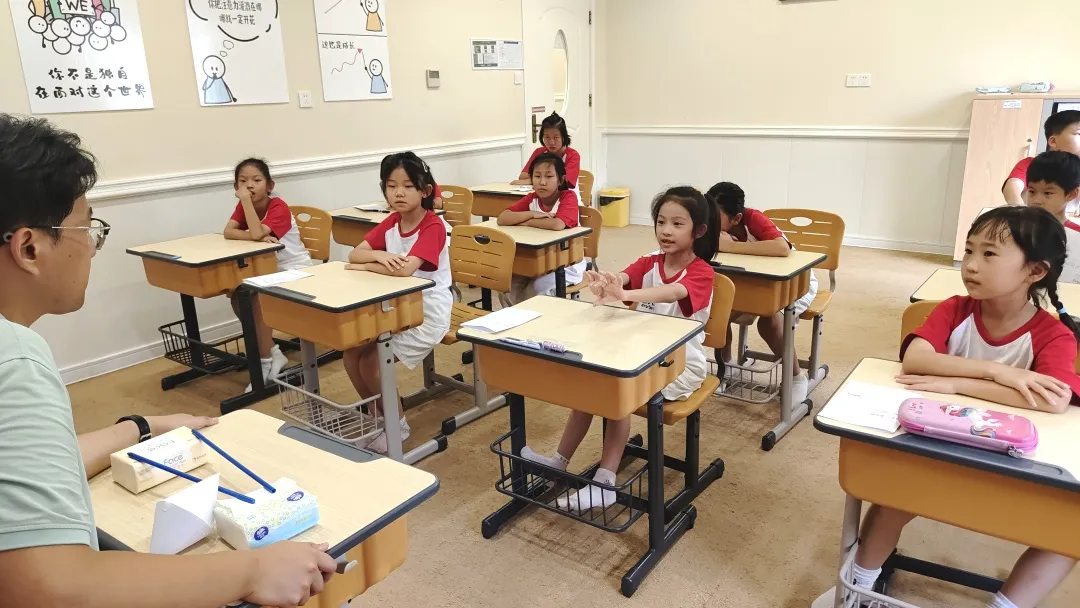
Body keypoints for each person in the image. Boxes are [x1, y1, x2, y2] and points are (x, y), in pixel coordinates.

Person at [0, 114, 337, 607]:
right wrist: (252, 570)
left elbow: (30, 467)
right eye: (86, 228)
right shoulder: (16, 359)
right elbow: (52, 587)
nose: (92, 246)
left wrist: (140, 426)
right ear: (29, 247)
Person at [844, 206, 1080, 608]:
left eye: (989, 254)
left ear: (1035, 271)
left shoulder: (1052, 334)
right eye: (969, 250)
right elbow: (916, 360)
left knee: (1068, 533)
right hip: (937, 450)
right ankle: (859, 590)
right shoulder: (954, 308)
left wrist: (956, 384)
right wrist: (998, 373)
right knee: (889, 497)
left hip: (1014, 466)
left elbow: (1052, 400)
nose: (970, 264)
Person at [519, 186, 718, 511]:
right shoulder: (651, 261)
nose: (666, 231)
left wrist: (626, 295)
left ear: (698, 230)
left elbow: (672, 292)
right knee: (591, 385)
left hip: (680, 364)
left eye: (677, 224)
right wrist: (609, 282)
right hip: (642, 352)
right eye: (661, 222)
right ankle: (559, 462)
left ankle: (605, 483)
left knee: (617, 391)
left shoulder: (701, 272)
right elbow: (625, 276)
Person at [343, 152, 452, 454]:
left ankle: (397, 425)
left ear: (425, 190)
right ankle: (377, 416)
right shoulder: (392, 222)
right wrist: (378, 255)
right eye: (391, 186)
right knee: (351, 353)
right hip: (393, 307)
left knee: (372, 362)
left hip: (427, 312)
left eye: (407, 186)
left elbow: (404, 270)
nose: (398, 193)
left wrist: (367, 266)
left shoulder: (433, 226)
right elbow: (355, 253)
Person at [707, 181, 817, 404]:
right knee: (719, 311)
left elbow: (782, 248)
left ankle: (796, 377)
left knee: (769, 321)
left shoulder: (753, 218)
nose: (709, 222)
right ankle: (727, 367)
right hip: (747, 283)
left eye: (715, 218)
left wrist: (732, 247)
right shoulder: (710, 224)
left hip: (792, 282)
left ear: (737, 218)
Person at [223, 158, 313, 392]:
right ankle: (272, 351)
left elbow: (254, 233)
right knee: (238, 296)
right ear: (235, 187)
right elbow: (229, 231)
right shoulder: (245, 206)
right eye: (243, 181)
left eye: (256, 180)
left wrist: (255, 232)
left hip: (297, 270)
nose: (249, 186)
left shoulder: (278, 207)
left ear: (270, 185)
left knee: (257, 297)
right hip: (268, 269)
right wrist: (259, 236)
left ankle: (263, 362)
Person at [498, 152, 584, 303]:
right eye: (537, 176)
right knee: (507, 287)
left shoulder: (568, 197)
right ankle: (520, 317)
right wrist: (532, 214)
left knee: (537, 289)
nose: (542, 182)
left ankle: (539, 316)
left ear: (560, 179)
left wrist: (527, 221)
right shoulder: (532, 198)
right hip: (536, 261)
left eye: (549, 176)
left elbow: (557, 224)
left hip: (567, 263)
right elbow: (503, 218)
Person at [1002, 110, 1080, 207]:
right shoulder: (1032, 164)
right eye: (1079, 134)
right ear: (1053, 141)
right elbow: (1012, 187)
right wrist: (1020, 209)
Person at [1024, 150, 1080, 283]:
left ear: (1071, 194)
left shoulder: (1077, 235)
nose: (1036, 201)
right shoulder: (1018, 228)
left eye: (1047, 193)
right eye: (1032, 191)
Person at [511, 112, 582, 203]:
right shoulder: (539, 152)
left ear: (563, 137)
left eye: (556, 137)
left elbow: (564, 182)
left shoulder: (573, 155)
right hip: (543, 201)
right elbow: (523, 176)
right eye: (547, 137)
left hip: (568, 201)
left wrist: (532, 180)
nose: (551, 142)